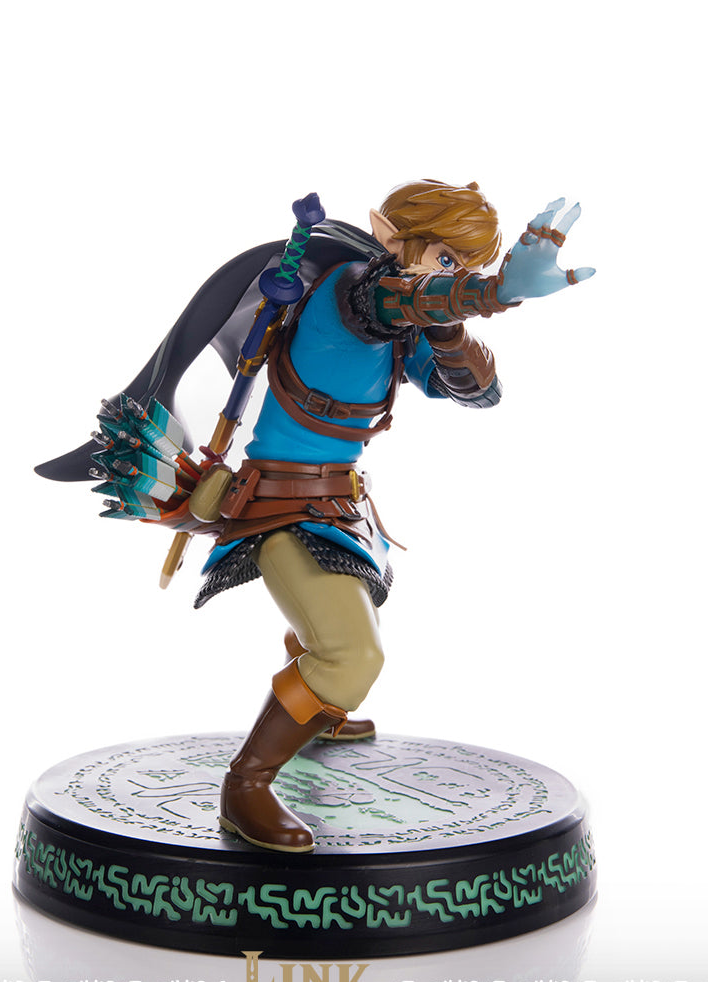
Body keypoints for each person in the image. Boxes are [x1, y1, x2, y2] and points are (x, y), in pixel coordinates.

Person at [175, 179, 593, 853]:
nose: (449, 274)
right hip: (282, 504)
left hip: (340, 502)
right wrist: (494, 291)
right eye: (444, 258)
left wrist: (454, 324)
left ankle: (318, 705)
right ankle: (246, 783)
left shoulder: (411, 318)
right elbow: (399, 299)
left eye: (464, 265)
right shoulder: (353, 292)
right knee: (353, 655)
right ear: (387, 234)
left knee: (343, 619)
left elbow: (478, 392)